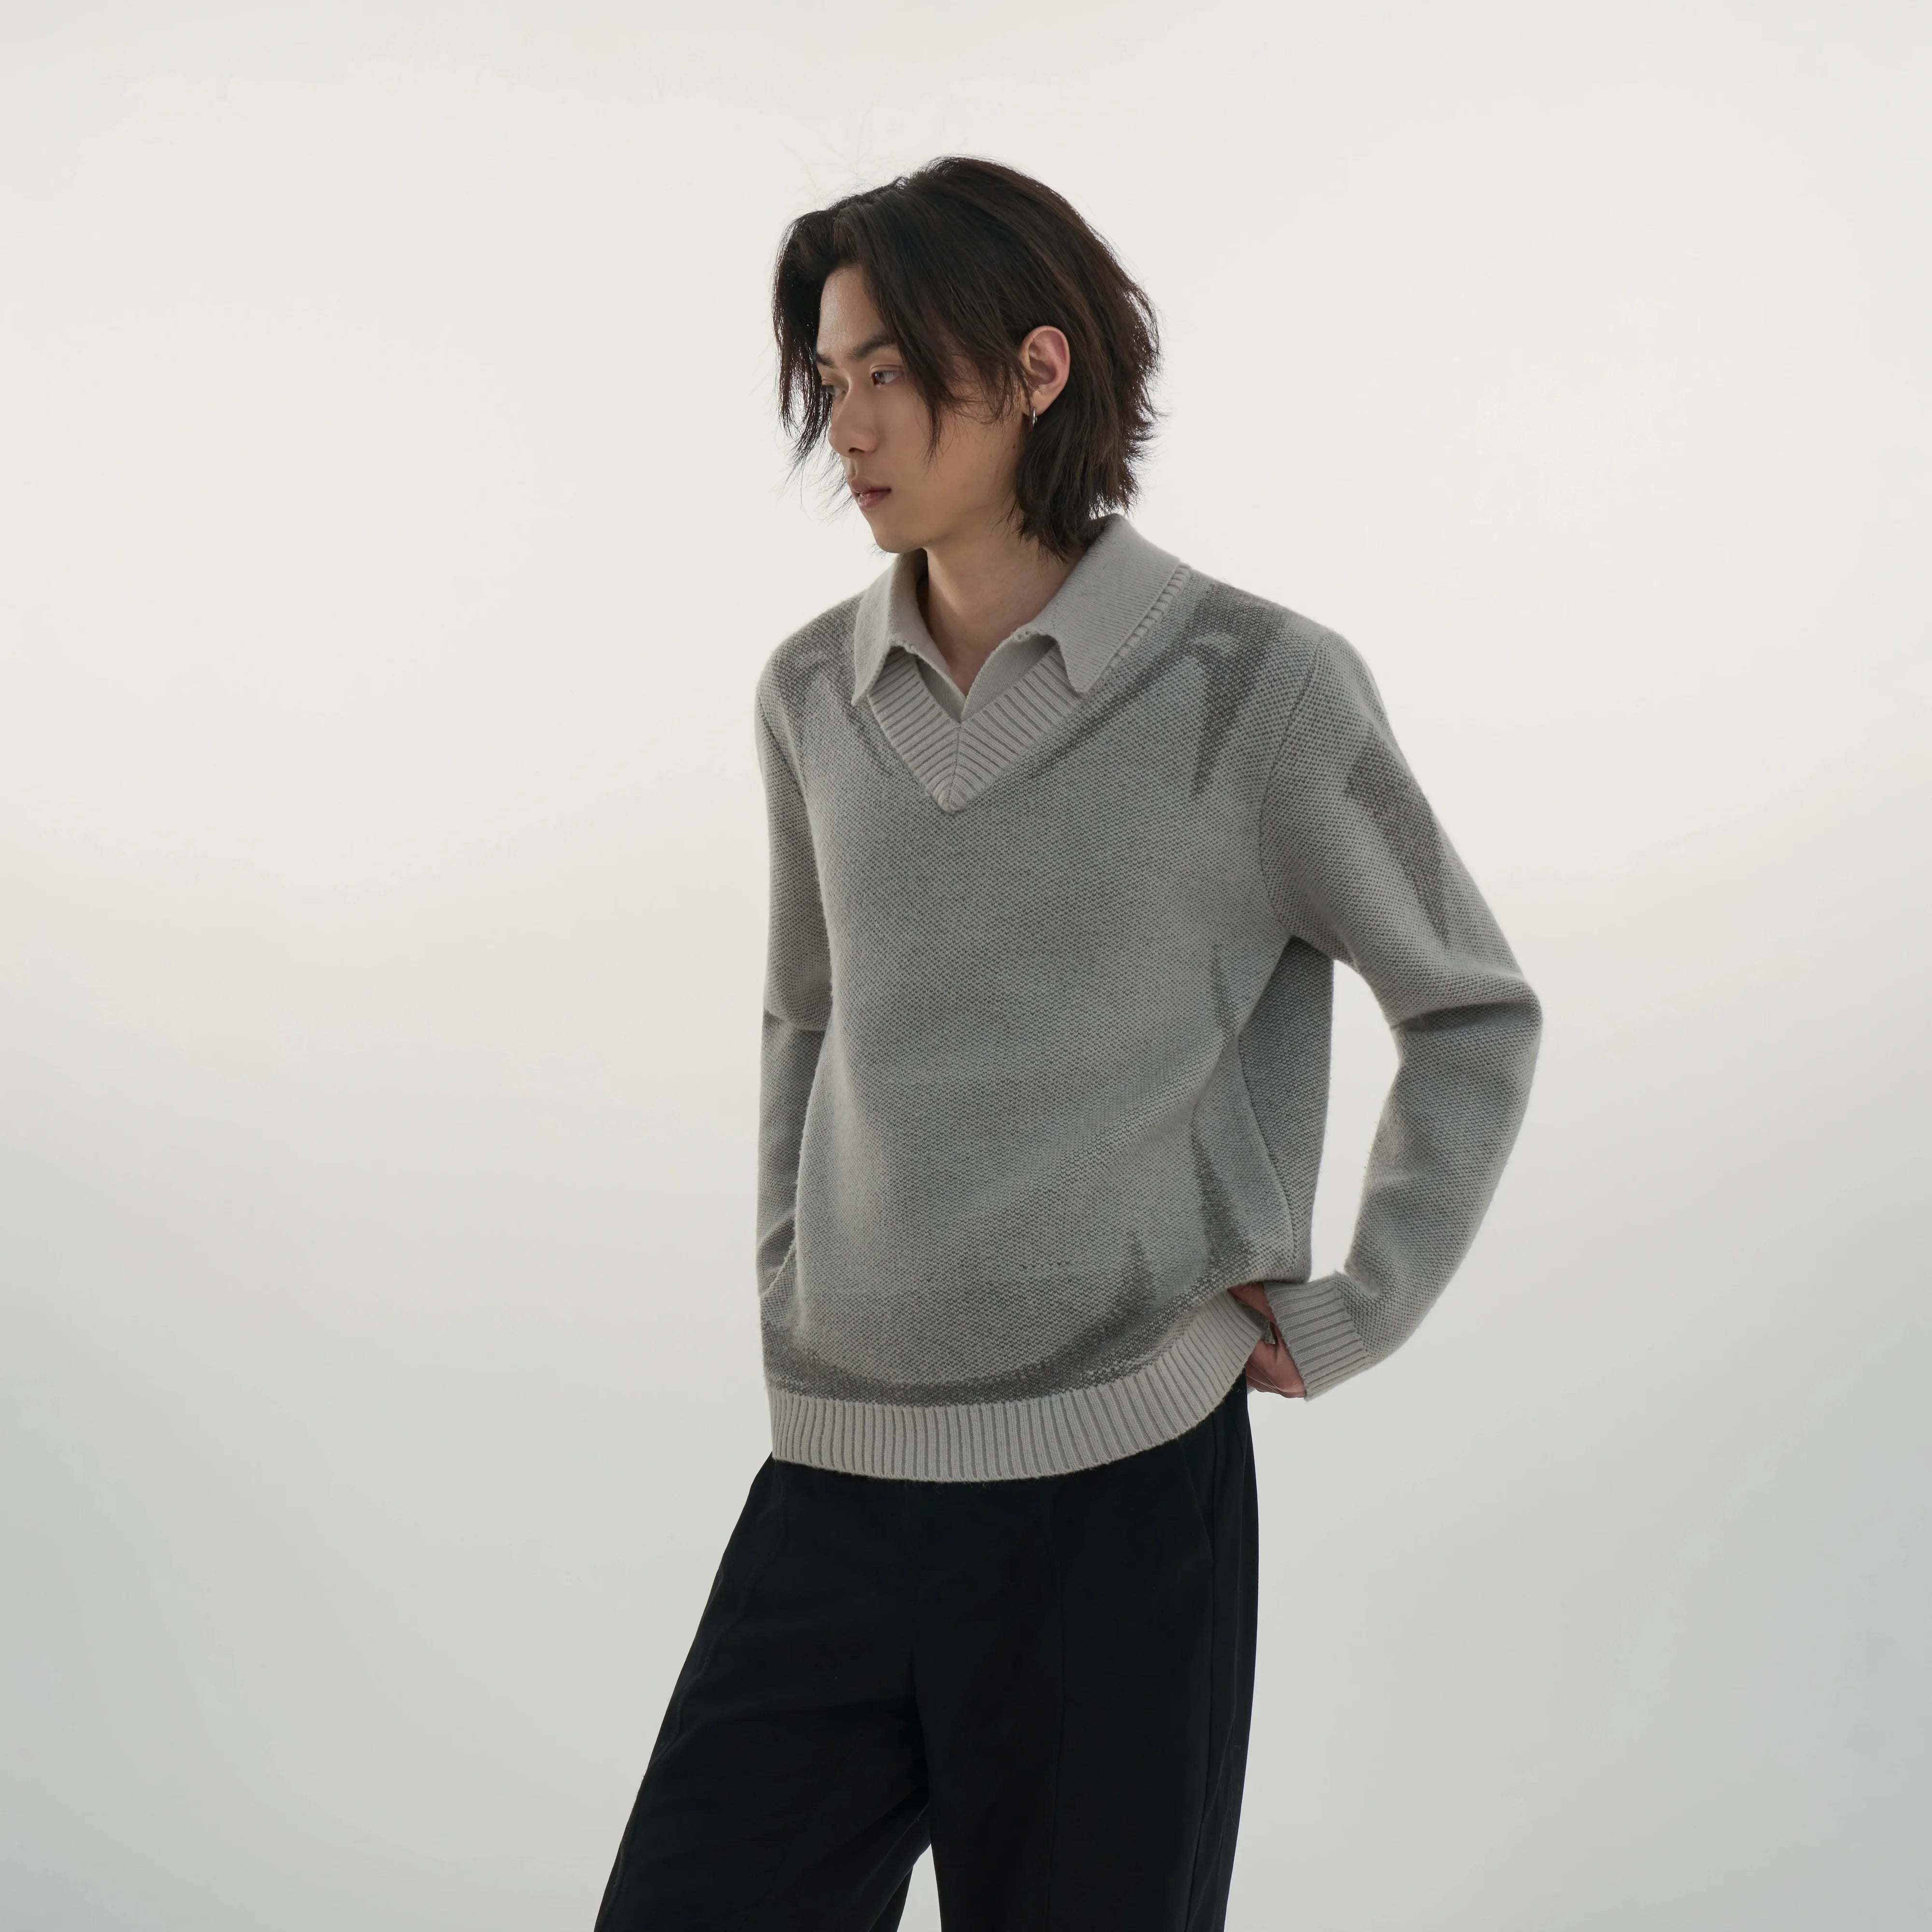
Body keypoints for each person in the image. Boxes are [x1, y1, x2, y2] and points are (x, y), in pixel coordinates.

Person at [593, 156, 1541, 1931]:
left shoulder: (1258, 687)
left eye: (890, 373)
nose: (847, 427)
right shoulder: (809, 693)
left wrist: (1364, 1301)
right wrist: (796, 1284)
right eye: (829, 379)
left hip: (1123, 1501)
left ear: (1038, 369)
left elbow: (1472, 1006)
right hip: (838, 1479)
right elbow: (809, 1011)